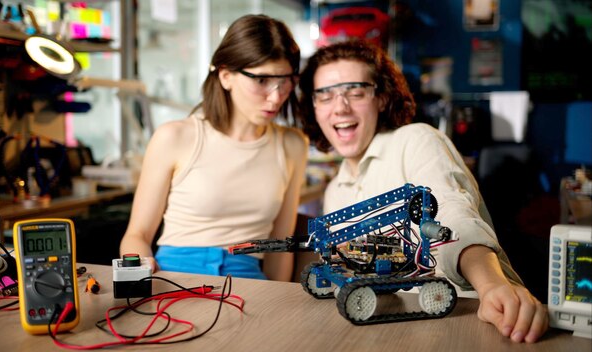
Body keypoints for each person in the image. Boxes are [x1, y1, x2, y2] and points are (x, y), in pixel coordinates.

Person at [296, 40, 548, 343]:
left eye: (356, 91)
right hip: (388, 334)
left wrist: (492, 284)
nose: (340, 107)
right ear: (313, 106)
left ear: (381, 97)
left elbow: (452, 215)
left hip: (467, 323)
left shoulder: (416, 140)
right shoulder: (336, 189)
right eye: (325, 95)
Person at [119, 14, 308, 282]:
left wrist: (278, 306)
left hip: (248, 283)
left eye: (285, 80)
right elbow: (136, 235)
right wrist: (140, 273)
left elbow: (280, 246)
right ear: (226, 76)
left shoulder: (292, 145)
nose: (276, 96)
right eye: (262, 80)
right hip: (172, 277)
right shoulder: (174, 137)